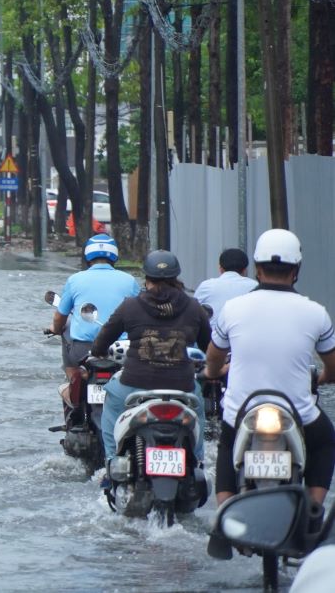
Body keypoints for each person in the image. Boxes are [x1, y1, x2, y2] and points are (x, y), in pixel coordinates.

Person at [203, 229, 335, 558]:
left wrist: (213, 372)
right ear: (296, 271)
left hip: (243, 411)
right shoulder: (316, 312)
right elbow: (333, 363)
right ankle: (314, 510)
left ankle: (224, 513)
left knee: (226, 442)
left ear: (258, 269)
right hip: (297, 413)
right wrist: (324, 378)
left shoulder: (234, 309)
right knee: (325, 440)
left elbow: (214, 356)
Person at [91, 250, 210, 466]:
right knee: (199, 408)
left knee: (110, 402)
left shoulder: (130, 306)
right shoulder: (194, 307)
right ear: (176, 278)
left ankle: (111, 464)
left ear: (146, 279)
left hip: (134, 384)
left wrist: (98, 351)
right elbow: (208, 348)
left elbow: (101, 342)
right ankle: (198, 460)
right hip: (182, 386)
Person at [46, 234, 140, 404]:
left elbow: (60, 316)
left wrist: (55, 328)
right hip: (121, 350)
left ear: (88, 255)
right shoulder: (130, 281)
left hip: (83, 350)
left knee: (66, 336)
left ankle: (74, 385)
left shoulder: (75, 280)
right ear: (114, 255)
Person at [193, 247, 257, 325]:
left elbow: (192, 313)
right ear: (245, 270)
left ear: (220, 268)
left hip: (212, 336)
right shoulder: (255, 287)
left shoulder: (206, 286)